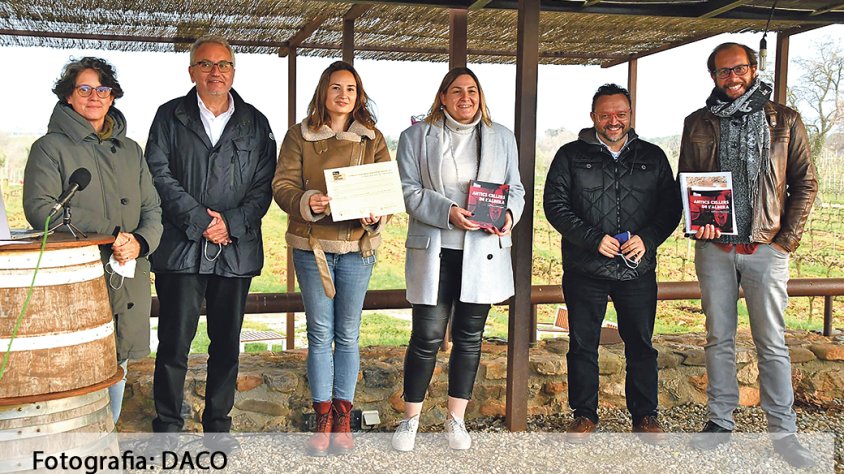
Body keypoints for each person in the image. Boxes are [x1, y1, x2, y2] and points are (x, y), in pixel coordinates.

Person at [679, 42, 818, 468]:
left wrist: (784, 241)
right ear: (713, 77)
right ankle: (720, 421)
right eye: (723, 71)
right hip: (715, 248)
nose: (732, 77)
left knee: (771, 342)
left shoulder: (785, 120)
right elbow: (688, 179)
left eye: (739, 69)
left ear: (753, 69)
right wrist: (697, 221)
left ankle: (784, 432)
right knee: (718, 337)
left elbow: (805, 183)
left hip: (766, 248)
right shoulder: (697, 122)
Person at [144, 35, 276, 453]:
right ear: (192, 72)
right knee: (173, 344)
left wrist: (229, 224)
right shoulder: (169, 116)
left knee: (226, 345)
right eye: (206, 64)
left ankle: (218, 429)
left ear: (233, 71)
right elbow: (158, 174)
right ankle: (167, 430)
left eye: (224, 64)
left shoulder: (256, 122)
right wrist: (201, 221)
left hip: (234, 249)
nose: (215, 72)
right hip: (180, 248)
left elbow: (265, 184)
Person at [23, 57, 163, 425]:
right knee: (77, 373)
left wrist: (141, 243)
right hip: (78, 280)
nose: (94, 96)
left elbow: (152, 208)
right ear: (68, 96)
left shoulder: (131, 150)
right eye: (84, 89)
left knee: (118, 366)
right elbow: (42, 210)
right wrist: (111, 233)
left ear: (112, 97)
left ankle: (105, 438)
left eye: (102, 89)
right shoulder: (49, 148)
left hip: (127, 273)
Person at [392, 67, 525, 452]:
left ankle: (456, 420)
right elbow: (408, 191)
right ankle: (410, 420)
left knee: (469, 337)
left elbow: (516, 188)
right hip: (435, 251)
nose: (465, 97)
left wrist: (508, 215)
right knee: (426, 336)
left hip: (482, 251)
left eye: (472, 91)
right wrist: (448, 212)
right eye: (457, 91)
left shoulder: (502, 137)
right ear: (443, 97)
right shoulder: (416, 136)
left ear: (480, 97)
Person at [543, 83, 681, 443]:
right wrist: (592, 239)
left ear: (630, 115)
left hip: (637, 268)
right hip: (585, 268)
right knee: (582, 344)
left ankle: (645, 416)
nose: (613, 121)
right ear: (593, 117)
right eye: (605, 115)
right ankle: (584, 415)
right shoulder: (569, 155)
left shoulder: (653, 156)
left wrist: (647, 239)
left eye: (620, 114)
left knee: (641, 344)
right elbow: (555, 206)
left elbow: (670, 208)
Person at [273, 61, 390, 457]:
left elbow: (384, 190)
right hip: (313, 248)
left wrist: (375, 215)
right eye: (336, 87)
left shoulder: (373, 138)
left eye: (351, 89)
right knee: (320, 334)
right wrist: (307, 200)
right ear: (324, 91)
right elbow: (282, 185)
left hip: (358, 248)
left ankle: (343, 418)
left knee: (349, 334)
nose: (343, 95)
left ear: (359, 96)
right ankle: (322, 417)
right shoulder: (299, 135)